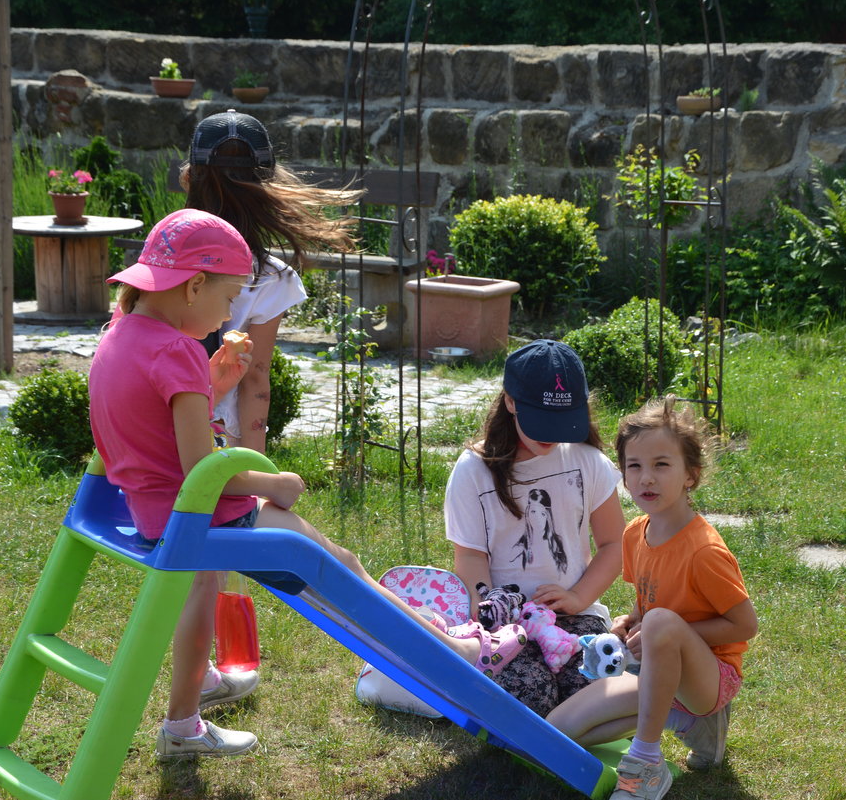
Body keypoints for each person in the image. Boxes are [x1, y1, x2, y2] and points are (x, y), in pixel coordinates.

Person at [89, 209, 528, 758]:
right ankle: (455, 654)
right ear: (194, 286)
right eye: (229, 298)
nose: (227, 315)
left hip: (153, 510)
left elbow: (152, 426)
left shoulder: (119, 333)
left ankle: (193, 701)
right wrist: (272, 484)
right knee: (342, 568)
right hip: (201, 512)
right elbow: (202, 471)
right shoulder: (176, 350)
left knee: (205, 592)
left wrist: (212, 385)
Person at [546, 397, 757, 800]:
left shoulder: (704, 551)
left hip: (709, 678)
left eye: (661, 465)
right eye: (635, 466)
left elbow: (745, 625)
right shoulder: (634, 534)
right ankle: (690, 724)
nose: (646, 478)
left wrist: (663, 630)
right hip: (655, 671)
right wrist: (631, 621)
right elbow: (649, 599)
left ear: (690, 475)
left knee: (660, 621)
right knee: (557, 732)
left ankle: (646, 765)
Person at [444, 339, 626, 717]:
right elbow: (471, 557)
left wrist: (577, 597)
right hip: (504, 624)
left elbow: (614, 544)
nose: (551, 434)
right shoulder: (473, 470)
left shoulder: (589, 461)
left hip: (577, 615)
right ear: (510, 402)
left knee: (593, 686)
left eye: (562, 422)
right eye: (541, 421)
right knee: (529, 695)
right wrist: (492, 617)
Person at [182, 109, 360, 451]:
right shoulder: (272, 277)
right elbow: (255, 378)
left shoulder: (162, 257)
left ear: (189, 178)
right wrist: (255, 464)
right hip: (220, 437)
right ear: (268, 184)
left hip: (151, 424)